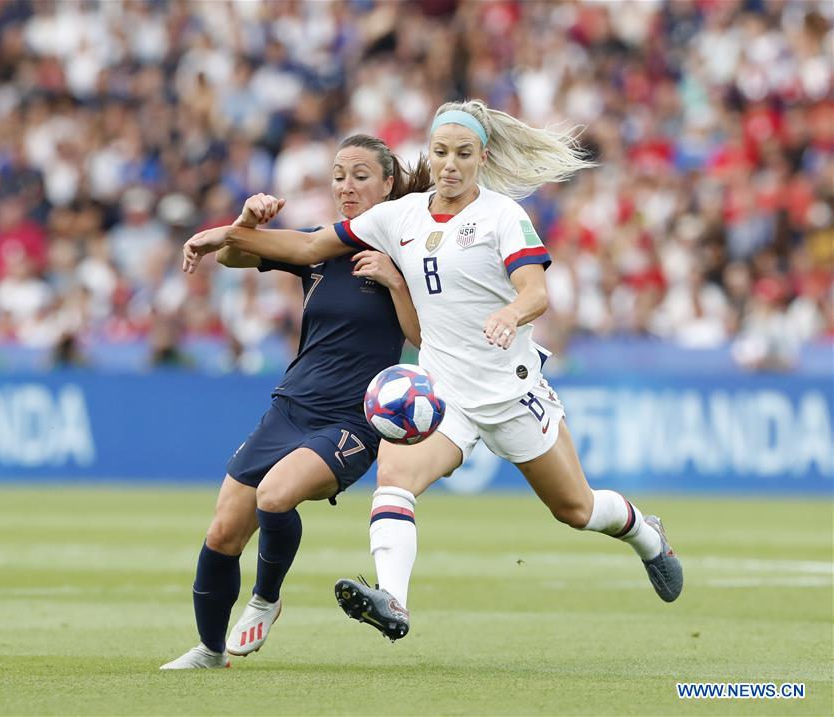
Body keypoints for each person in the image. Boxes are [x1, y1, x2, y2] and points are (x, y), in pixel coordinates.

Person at [183, 100, 684, 643]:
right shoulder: (399, 216)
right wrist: (224, 235)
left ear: (481, 158)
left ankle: (647, 535)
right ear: (429, 154)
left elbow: (536, 292)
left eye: (463, 153)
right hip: (442, 392)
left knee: (576, 508)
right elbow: (307, 245)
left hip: (509, 390)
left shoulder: (502, 217)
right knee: (395, 480)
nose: (450, 164)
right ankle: (393, 601)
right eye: (441, 152)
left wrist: (511, 313)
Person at [161, 134, 430, 669]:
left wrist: (395, 283)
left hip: (351, 420)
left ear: (388, 184)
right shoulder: (319, 247)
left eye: (360, 176)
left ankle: (266, 599)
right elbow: (235, 256)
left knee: (275, 495)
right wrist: (247, 220)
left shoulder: (408, 252)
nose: (346, 186)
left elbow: (424, 338)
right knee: (223, 531)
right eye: (338, 176)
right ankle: (210, 652)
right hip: (291, 406)